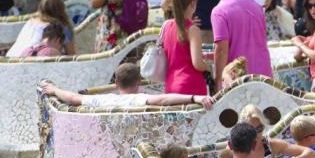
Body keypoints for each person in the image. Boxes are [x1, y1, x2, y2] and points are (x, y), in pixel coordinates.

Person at [40, 63, 215, 108]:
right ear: (138, 82)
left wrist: (54, 89)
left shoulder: (104, 100)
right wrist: (195, 97)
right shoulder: (140, 99)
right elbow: (163, 99)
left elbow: (72, 97)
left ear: (116, 83)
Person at [210, 0, 271, 88]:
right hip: (264, 77)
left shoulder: (219, 11)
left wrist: (218, 81)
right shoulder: (256, 6)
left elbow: (221, 50)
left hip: (238, 81)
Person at [161, 0, 208, 96]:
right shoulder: (193, 29)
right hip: (191, 85)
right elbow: (197, 64)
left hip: (170, 86)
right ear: (193, 3)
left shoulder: (166, 26)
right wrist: (210, 66)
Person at [240, 105, 315, 158]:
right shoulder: (235, 148)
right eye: (251, 130)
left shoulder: (271, 144)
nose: (256, 134)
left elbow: (310, 154)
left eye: (260, 128)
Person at [6, 0, 76, 57]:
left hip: (11, 57)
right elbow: (72, 55)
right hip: (30, 60)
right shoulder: (59, 27)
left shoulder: (31, 21)